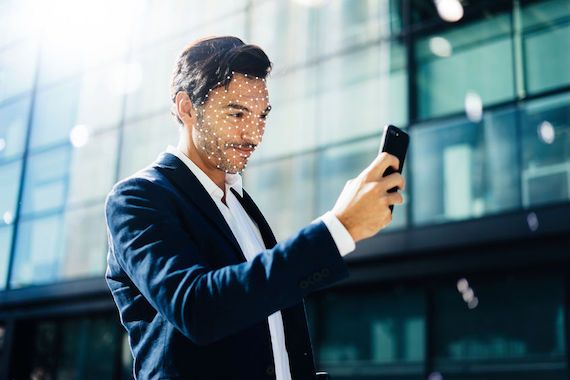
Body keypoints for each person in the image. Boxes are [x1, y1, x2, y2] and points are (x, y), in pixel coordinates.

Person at [105, 36, 405, 380]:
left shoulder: (242, 205)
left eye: (261, 116)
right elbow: (198, 309)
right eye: (236, 113)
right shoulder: (137, 199)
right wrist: (339, 228)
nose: (254, 134)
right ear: (187, 108)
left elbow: (266, 319)